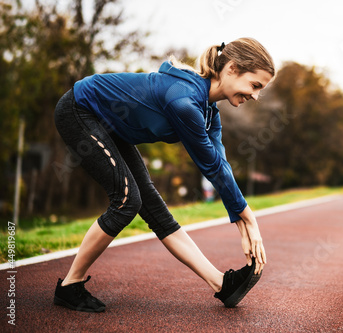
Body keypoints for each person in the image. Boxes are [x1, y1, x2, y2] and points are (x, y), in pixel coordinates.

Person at [53, 37, 275, 312]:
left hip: (111, 125)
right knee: (126, 201)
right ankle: (69, 287)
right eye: (255, 85)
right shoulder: (184, 102)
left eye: (260, 90)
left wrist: (243, 223)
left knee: (153, 206)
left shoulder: (209, 113)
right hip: (81, 110)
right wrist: (249, 220)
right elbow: (211, 166)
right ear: (231, 68)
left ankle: (221, 284)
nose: (255, 96)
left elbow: (221, 166)